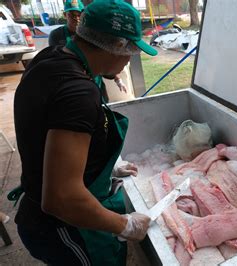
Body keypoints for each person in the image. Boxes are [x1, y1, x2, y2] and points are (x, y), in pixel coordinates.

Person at [10, 0, 158, 265]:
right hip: (64, 230)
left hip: (37, 213)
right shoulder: (79, 93)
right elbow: (61, 198)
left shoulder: (51, 58)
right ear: (118, 46)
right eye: (132, 50)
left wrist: (100, 168)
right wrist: (123, 224)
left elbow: (44, 133)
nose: (129, 60)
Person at [49, 0, 129, 101]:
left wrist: (117, 78)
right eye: (72, 15)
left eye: (80, 15)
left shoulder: (91, 33)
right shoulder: (57, 35)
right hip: (74, 85)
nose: (77, 19)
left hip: (96, 83)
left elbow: (101, 59)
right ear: (65, 15)